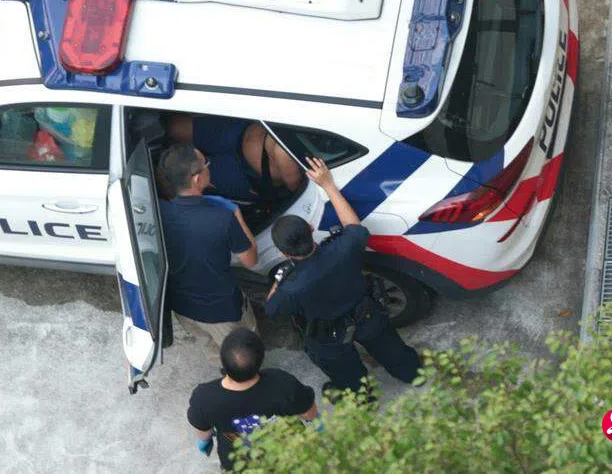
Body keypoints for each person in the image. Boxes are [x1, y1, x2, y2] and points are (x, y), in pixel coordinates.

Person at [265, 156, 420, 395]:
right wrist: (328, 185)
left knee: (346, 373)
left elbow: (271, 309)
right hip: (367, 314)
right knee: (393, 351)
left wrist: (280, 279)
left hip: (328, 336)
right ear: (311, 230)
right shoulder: (343, 249)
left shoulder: (290, 289)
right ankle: (413, 374)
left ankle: (362, 397)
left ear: (284, 253)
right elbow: (354, 227)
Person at [157, 144, 259, 346]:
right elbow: (251, 260)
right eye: (206, 165)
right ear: (197, 179)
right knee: (245, 352)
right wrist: (236, 213)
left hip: (183, 309)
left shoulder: (158, 211)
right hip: (223, 313)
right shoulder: (223, 218)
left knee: (211, 350)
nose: (209, 167)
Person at [187, 328, 318, 470]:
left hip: (241, 462)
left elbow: (203, 431)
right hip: (288, 451)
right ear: (261, 359)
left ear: (223, 361)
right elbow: (307, 412)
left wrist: (204, 441)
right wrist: (317, 421)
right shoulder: (281, 383)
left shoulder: (204, 397)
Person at [165, 114, 303, 202]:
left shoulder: (287, 155)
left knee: (177, 179)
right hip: (239, 131)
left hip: (244, 174)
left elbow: (296, 189)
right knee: (175, 127)